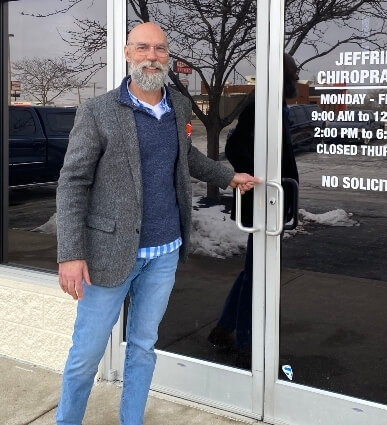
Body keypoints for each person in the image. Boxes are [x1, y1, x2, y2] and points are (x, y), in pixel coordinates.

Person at [55, 22, 260, 425]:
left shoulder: (178, 107)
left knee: (144, 346)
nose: (152, 56)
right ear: (128, 54)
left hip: (163, 253)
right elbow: (72, 183)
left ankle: (131, 420)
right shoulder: (98, 112)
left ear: (168, 56)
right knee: (86, 356)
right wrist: (71, 254)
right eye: (143, 48)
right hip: (107, 257)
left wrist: (228, 177)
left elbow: (186, 158)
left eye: (160, 49)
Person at [208, 53, 299, 368]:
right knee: (258, 273)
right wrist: (257, 180)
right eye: (294, 72)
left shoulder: (271, 102)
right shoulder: (260, 103)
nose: (297, 77)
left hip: (272, 200)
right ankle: (247, 342)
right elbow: (234, 147)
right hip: (262, 202)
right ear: (282, 73)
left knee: (254, 269)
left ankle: (224, 329)